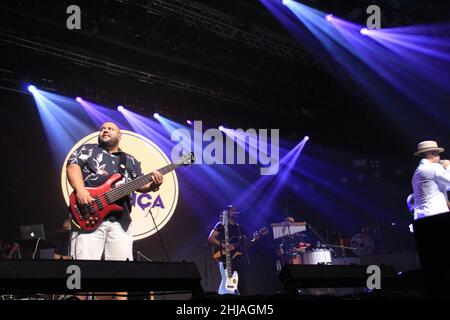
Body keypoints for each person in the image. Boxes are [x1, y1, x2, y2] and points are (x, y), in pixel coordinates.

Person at [66, 121, 163, 300]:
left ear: (119, 136)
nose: (105, 130)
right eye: (103, 128)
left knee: (121, 275)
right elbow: (72, 167)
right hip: (88, 215)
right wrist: (81, 191)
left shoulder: (130, 160)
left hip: (121, 221)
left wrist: (154, 185)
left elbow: (141, 185)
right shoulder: (88, 149)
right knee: (81, 272)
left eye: (110, 128)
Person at [208, 205, 248, 295]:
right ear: (226, 212)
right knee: (229, 285)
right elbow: (211, 238)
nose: (235, 212)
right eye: (232, 210)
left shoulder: (239, 228)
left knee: (242, 287)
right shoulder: (221, 224)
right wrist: (223, 245)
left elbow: (244, 244)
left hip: (239, 259)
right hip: (226, 260)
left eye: (236, 210)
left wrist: (256, 237)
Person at [412, 140, 450, 218]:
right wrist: (448, 166)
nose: (440, 157)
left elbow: (440, 188)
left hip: (423, 215)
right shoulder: (433, 167)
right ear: (432, 154)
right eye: (438, 154)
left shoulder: (417, 172)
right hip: (436, 214)